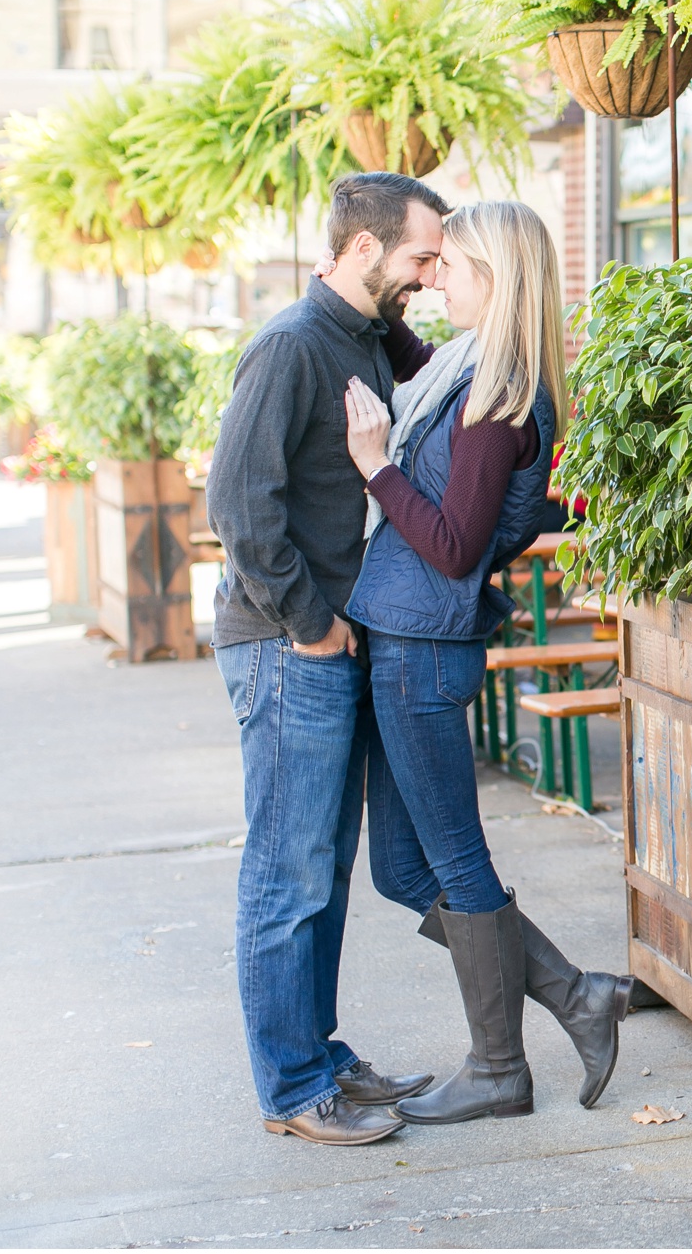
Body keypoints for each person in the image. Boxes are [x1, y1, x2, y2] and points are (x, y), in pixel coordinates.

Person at [337, 199, 635, 1124]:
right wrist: (369, 294)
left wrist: (375, 464)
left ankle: (500, 1068)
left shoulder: (495, 396)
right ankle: (577, 993)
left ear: (496, 279)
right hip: (405, 640)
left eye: (450, 269)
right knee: (400, 868)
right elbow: (412, 359)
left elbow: (458, 542)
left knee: (457, 861)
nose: (434, 281)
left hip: (424, 647)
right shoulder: (470, 370)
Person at [205, 172, 453, 1146]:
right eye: (417, 259)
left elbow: (430, 368)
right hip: (284, 645)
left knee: (326, 868)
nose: (429, 277)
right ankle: (291, 1085)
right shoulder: (288, 347)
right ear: (360, 253)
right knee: (288, 872)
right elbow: (240, 508)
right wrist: (311, 624)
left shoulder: (360, 336)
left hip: (330, 641)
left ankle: (318, 1050)